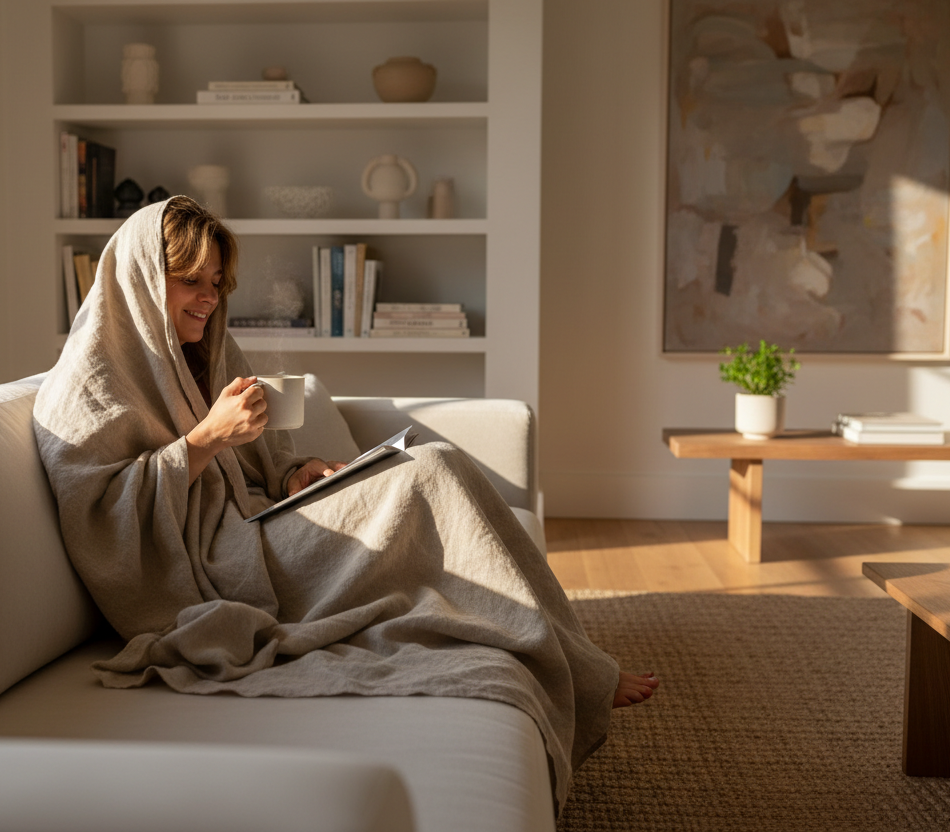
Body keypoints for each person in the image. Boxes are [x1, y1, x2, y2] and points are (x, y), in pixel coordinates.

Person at [33, 196, 656, 812]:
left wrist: (294, 472)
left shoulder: (204, 349)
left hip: (260, 521)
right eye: (191, 281)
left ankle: (574, 660)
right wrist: (203, 439)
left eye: (218, 282)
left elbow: (257, 457)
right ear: (143, 279)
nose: (209, 298)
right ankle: (581, 670)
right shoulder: (83, 388)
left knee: (427, 465)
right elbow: (101, 521)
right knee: (433, 469)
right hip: (216, 565)